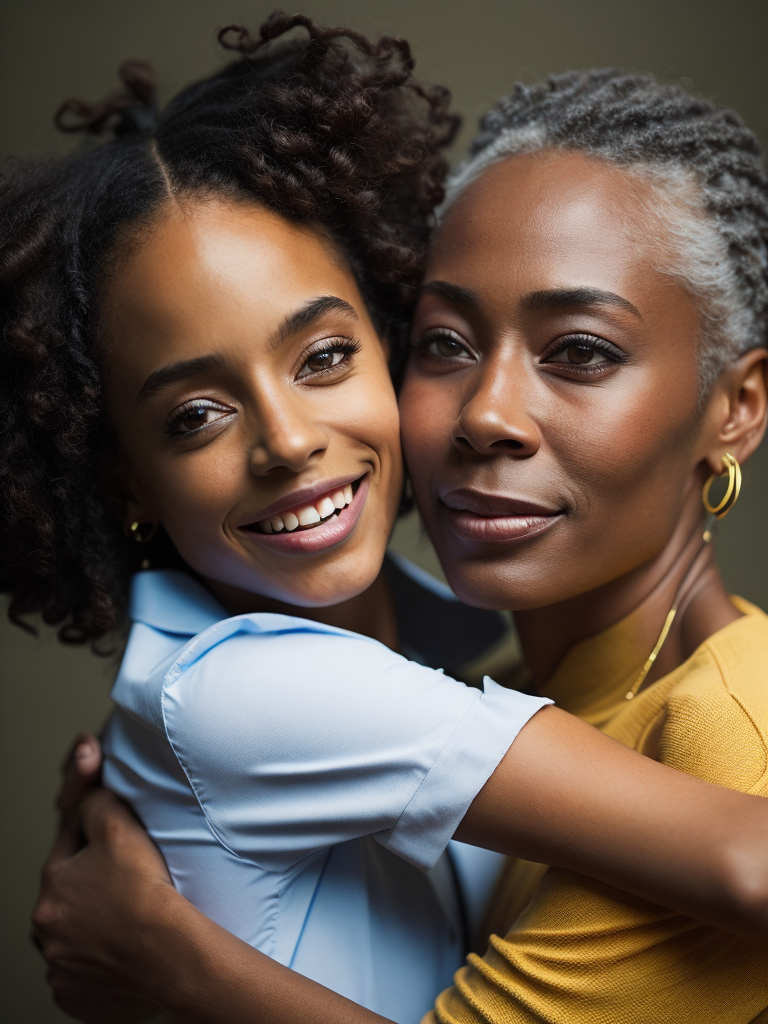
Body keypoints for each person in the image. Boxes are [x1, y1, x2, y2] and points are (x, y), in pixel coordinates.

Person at [16, 40, 768, 1024]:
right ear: (126, 476)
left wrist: (179, 969)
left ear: (737, 406)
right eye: (447, 343)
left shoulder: (720, 721)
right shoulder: (382, 680)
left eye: (323, 356)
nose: (287, 441)